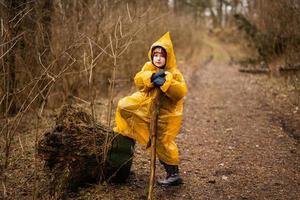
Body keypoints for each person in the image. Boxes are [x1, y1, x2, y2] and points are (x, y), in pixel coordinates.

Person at [113, 32, 187, 186]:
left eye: (162, 55)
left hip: (165, 114)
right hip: (146, 104)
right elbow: (139, 80)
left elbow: (180, 92)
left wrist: (167, 83)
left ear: (168, 57)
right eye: (155, 55)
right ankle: (129, 133)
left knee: (162, 142)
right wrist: (151, 78)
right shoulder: (149, 67)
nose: (158, 58)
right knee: (124, 106)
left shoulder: (174, 73)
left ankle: (173, 173)